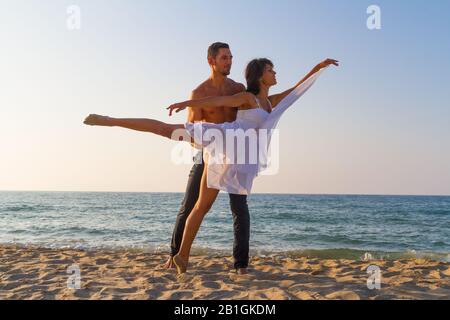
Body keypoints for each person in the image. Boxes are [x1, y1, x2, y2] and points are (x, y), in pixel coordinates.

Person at [84, 55, 339, 274]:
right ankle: (111, 120)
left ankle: (182, 257)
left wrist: (318, 67)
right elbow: (216, 103)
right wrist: (187, 104)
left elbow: (296, 91)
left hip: (238, 160)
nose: (275, 73)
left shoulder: (269, 102)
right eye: (271, 70)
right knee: (166, 130)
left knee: (202, 206)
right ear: (261, 76)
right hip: (223, 138)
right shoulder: (247, 97)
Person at [84, 42, 252, 274]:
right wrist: (208, 142)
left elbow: (250, 117)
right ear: (211, 61)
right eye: (224, 58)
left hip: (232, 155)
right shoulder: (199, 93)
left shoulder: (237, 88)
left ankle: (241, 265)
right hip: (206, 153)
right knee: (189, 205)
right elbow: (192, 133)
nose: (229, 61)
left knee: (239, 208)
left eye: (231, 57)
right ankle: (175, 256)